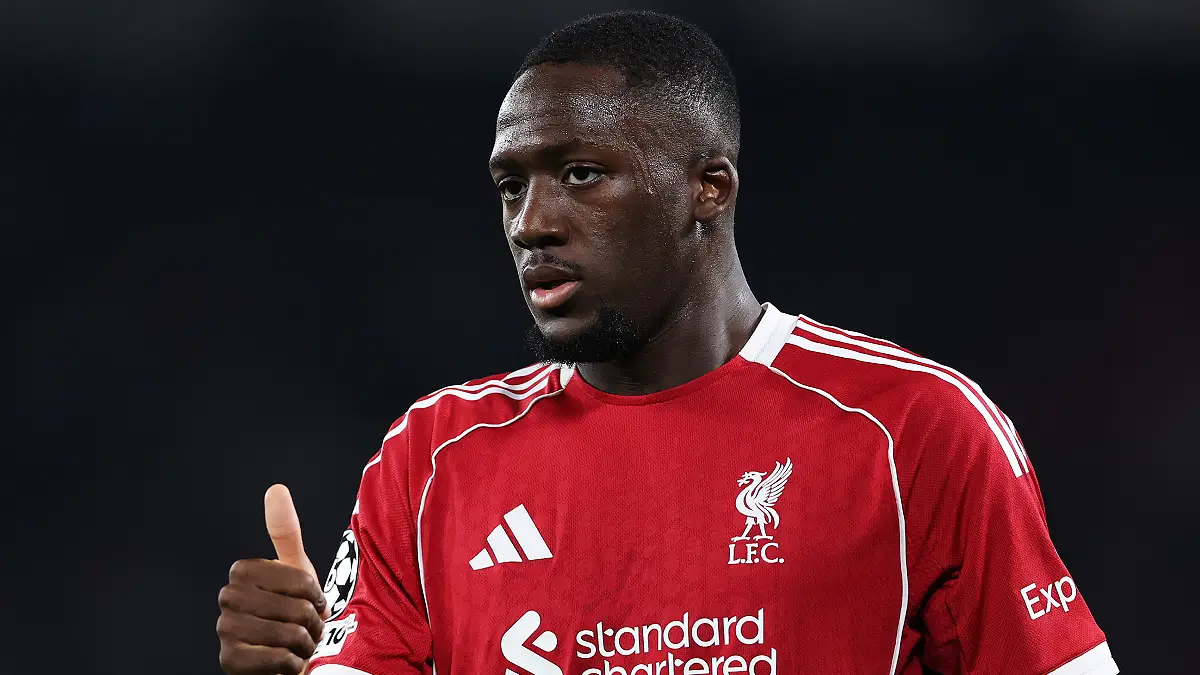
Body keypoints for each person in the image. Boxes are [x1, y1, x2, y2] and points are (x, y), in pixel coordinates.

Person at [216, 11, 1117, 675]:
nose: (531, 223)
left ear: (708, 188)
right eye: (511, 186)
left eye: (580, 174)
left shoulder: (913, 428)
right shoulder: (431, 460)